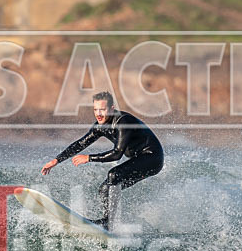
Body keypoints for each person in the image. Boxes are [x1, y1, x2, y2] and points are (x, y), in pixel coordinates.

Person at [41, 91, 164, 230]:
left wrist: (89, 158)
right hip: (139, 158)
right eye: (95, 110)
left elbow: (117, 154)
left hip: (152, 158)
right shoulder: (100, 125)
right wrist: (56, 160)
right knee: (105, 189)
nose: (98, 114)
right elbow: (81, 143)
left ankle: (108, 223)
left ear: (111, 109)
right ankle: (112, 225)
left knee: (114, 174)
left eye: (102, 110)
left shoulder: (123, 122)